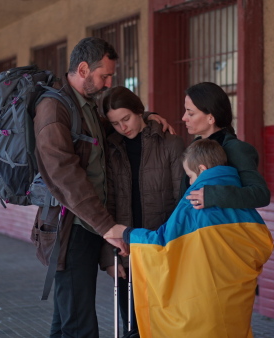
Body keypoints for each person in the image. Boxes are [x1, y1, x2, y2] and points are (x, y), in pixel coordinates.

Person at [32, 37, 172, 338]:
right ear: (83, 69)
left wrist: (145, 117)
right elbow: (64, 175)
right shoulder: (54, 108)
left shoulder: (85, 107)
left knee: (68, 319)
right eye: (104, 75)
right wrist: (107, 226)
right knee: (80, 324)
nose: (108, 82)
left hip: (86, 226)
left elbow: (112, 127)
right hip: (70, 229)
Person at [103, 138, 274, 337]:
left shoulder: (195, 199)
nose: (191, 182)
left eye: (190, 176)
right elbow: (263, 245)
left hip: (203, 306)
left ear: (201, 169)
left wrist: (125, 233)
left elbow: (162, 243)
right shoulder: (241, 202)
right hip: (236, 304)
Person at [98, 86, 186, 336]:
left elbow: (182, 202)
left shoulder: (170, 143)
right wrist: (109, 259)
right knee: (131, 327)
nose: (122, 128)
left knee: (165, 325)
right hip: (126, 251)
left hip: (161, 249)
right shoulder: (112, 149)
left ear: (140, 112)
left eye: (126, 119)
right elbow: (109, 205)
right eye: (115, 123)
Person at [181, 81, 270, 211]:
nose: (184, 118)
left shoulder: (236, 149)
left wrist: (213, 195)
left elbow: (261, 194)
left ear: (211, 118)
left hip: (218, 228)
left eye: (190, 113)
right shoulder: (195, 146)